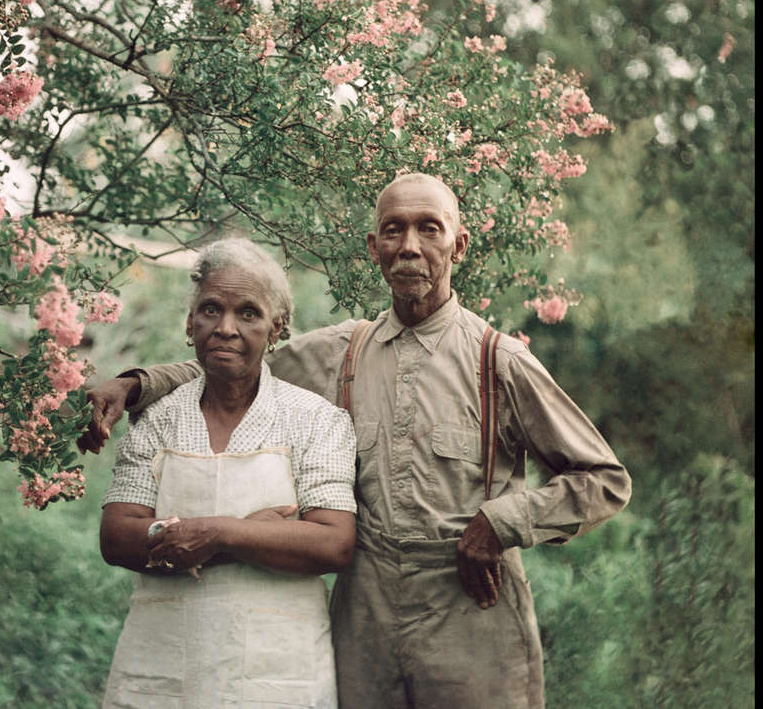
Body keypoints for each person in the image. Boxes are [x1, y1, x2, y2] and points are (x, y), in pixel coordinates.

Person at [83, 174, 632, 709]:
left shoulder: (500, 362)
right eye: (393, 230)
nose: (409, 246)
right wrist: (136, 384)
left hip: (470, 603)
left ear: (458, 244)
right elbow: (235, 357)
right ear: (374, 247)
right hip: (363, 609)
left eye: (429, 229)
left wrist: (502, 522)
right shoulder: (344, 351)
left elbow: (603, 480)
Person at [98, 238, 357, 709]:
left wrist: (215, 534)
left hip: (278, 674)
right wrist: (246, 536)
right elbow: (116, 537)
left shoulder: (315, 419)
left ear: (276, 329)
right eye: (212, 309)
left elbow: (333, 542)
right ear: (189, 321)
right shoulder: (159, 419)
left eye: (249, 314)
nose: (226, 328)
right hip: (162, 667)